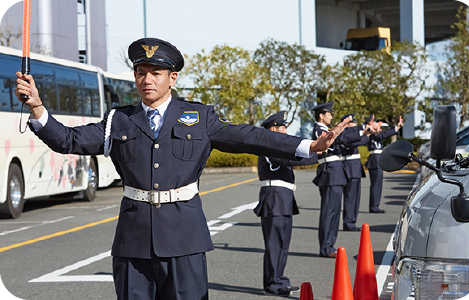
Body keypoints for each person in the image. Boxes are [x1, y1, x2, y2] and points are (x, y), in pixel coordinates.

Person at [15, 38, 351, 300]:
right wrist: (38, 108)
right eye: (141, 72)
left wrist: (309, 146)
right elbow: (68, 140)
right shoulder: (119, 120)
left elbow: (251, 137)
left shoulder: (200, 117)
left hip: (185, 239)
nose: (147, 80)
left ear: (172, 78)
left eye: (156, 73)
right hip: (133, 244)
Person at [254, 111, 318, 297]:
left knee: (282, 242)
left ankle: (279, 279)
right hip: (275, 196)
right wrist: (317, 153)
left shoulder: (274, 144)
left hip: (282, 196)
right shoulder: (268, 145)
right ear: (273, 128)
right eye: (283, 126)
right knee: (275, 243)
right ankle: (272, 283)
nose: (286, 130)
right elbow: (289, 159)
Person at [311, 102, 367, 258]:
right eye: (328, 113)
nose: (331, 116)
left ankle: (330, 245)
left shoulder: (325, 130)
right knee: (329, 211)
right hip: (329, 173)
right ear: (321, 115)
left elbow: (343, 137)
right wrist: (361, 130)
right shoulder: (318, 130)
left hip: (335, 174)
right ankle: (326, 247)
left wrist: (362, 131)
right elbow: (341, 137)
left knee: (334, 212)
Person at [364, 115, 403, 213]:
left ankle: (375, 205)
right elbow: (383, 135)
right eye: (378, 125)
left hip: (376, 160)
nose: (380, 128)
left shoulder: (375, 134)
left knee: (377, 184)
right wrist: (396, 128)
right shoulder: (372, 134)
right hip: (375, 160)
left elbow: (383, 134)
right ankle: (374, 206)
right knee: (376, 185)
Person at [339, 114, 371, 231]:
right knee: (350, 197)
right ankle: (348, 222)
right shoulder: (344, 134)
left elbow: (360, 140)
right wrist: (364, 133)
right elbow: (354, 142)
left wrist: (367, 134)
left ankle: (352, 221)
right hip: (349, 168)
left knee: (355, 198)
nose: (354, 125)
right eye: (352, 123)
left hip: (355, 168)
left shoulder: (350, 135)